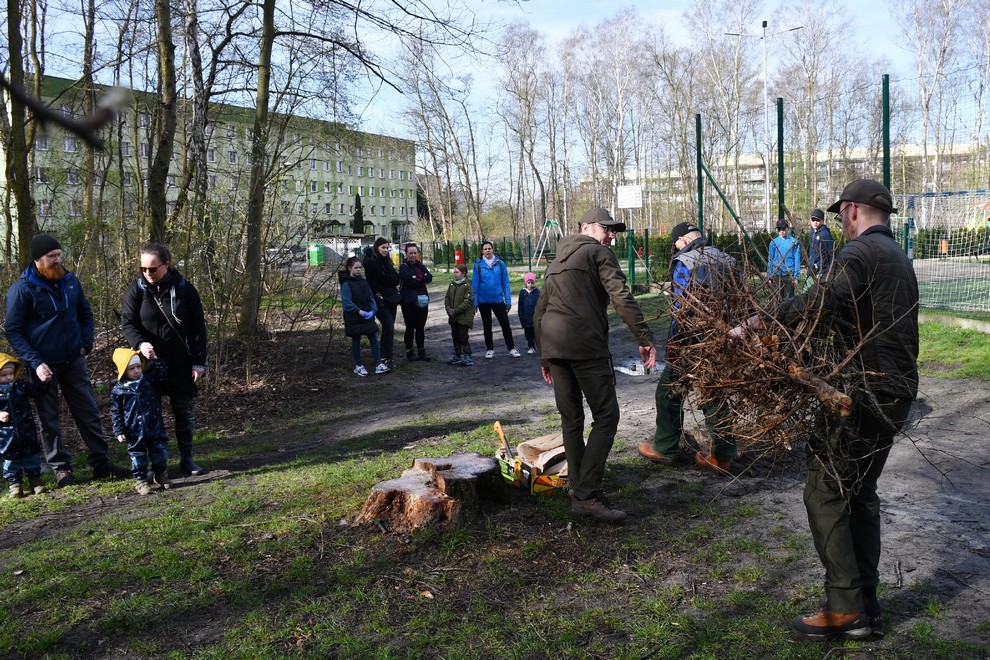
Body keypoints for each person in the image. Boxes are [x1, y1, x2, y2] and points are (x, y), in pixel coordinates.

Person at [733, 179, 919, 640]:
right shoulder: (898, 257)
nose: (841, 224)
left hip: (860, 392)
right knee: (860, 492)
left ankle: (845, 608)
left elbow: (821, 300)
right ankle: (866, 601)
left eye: (841, 216)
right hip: (896, 391)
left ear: (852, 210)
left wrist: (759, 322)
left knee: (826, 491)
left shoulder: (861, 252)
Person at [534, 207, 656, 524]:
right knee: (606, 416)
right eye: (607, 229)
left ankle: (578, 485)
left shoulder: (555, 261)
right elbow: (621, 296)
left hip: (555, 347)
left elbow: (540, 311)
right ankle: (586, 495)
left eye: (614, 231)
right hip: (585, 346)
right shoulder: (597, 253)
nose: (611, 235)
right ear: (586, 227)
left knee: (572, 419)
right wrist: (644, 337)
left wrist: (545, 356)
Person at [5, 234, 128, 487]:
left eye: (59, 255)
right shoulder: (22, 289)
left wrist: (85, 343)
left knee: (88, 412)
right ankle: (61, 469)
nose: (58, 260)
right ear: (37, 260)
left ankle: (101, 463)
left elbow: (85, 313)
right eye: (52, 256)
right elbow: (14, 331)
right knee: (49, 420)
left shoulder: (70, 281)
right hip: (43, 366)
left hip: (74, 360)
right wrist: (36, 362)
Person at [638, 222, 739, 474]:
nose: (675, 248)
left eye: (675, 244)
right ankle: (722, 457)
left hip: (690, 341)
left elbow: (683, 308)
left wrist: (675, 342)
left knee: (668, 392)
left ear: (682, 240)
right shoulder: (728, 259)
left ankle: (666, 448)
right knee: (714, 393)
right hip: (723, 339)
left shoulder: (685, 262)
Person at [121, 243, 210, 477]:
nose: (147, 273)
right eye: (143, 269)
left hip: (181, 363)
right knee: (150, 417)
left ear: (167, 265)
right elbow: (128, 323)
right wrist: (140, 344)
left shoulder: (185, 289)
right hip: (148, 366)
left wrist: (198, 362)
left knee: (183, 414)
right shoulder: (136, 291)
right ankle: (157, 464)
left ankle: (187, 459)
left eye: (153, 269)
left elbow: (198, 328)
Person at [110, 349, 170, 495]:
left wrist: (156, 359)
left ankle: (161, 475)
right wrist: (119, 430)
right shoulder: (119, 390)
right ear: (123, 370)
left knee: (159, 453)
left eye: (138, 366)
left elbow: (163, 374)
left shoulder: (148, 381)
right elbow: (116, 412)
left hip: (154, 425)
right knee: (138, 457)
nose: (136, 371)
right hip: (133, 430)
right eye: (131, 368)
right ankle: (141, 481)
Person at [0, 353, 47, 498]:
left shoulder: (20, 385)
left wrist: (45, 382)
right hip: (5, 435)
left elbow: (37, 392)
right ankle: (15, 486)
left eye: (11, 373)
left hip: (26, 430)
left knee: (31, 457)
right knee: (10, 461)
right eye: (4, 375)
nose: (9, 377)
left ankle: (36, 481)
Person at [339, 257, 386, 376]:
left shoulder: (364, 282)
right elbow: (347, 303)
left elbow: (371, 297)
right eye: (356, 267)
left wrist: (373, 311)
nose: (358, 270)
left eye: (360, 267)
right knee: (356, 339)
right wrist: (360, 312)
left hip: (367, 315)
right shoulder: (346, 284)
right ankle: (359, 365)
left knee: (373, 337)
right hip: (354, 317)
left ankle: (378, 364)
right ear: (349, 268)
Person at [472, 240, 520, 359]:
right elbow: (475, 285)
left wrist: (508, 301)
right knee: (487, 325)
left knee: (505, 324)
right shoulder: (478, 265)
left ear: (492, 249)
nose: (487, 250)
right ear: (482, 251)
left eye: (489, 248)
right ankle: (490, 349)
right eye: (485, 249)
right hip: (483, 300)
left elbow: (506, 283)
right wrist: (475, 302)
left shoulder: (500, 264)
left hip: (498, 299)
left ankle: (511, 348)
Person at [363, 237, 401, 369]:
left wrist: (390, 280)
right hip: (379, 300)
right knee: (389, 327)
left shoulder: (387, 262)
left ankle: (386, 357)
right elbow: (383, 279)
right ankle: (386, 358)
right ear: (377, 247)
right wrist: (390, 280)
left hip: (391, 299)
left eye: (387, 247)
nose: (386, 250)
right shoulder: (372, 263)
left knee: (388, 329)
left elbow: (396, 278)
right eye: (383, 247)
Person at [398, 243, 433, 362]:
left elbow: (429, 277)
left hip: (423, 301)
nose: (413, 255)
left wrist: (417, 278)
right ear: (406, 254)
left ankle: (421, 351)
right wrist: (422, 279)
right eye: (410, 253)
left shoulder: (420, 265)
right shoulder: (403, 267)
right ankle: (410, 352)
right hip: (409, 301)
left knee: (420, 327)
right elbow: (410, 282)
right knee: (410, 327)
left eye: (415, 253)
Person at [444, 264, 475, 366]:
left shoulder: (468, 285)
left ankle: (467, 356)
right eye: (454, 272)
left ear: (464, 273)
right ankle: (457, 355)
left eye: (457, 272)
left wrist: (456, 310)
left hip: (463, 317)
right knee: (455, 336)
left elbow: (468, 301)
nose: (455, 274)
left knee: (463, 337)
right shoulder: (452, 284)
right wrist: (448, 309)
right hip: (453, 316)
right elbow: (447, 298)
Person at [768, 219, 800, 300]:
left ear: (787, 228)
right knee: (777, 298)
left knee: (789, 299)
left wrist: (796, 277)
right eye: (779, 229)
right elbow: (770, 259)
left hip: (789, 274)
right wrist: (770, 275)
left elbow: (797, 260)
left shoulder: (794, 242)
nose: (781, 231)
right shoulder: (773, 243)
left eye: (783, 229)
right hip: (776, 274)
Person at [517, 272, 540, 354]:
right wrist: (521, 318)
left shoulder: (537, 292)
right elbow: (520, 306)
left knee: (537, 333)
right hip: (526, 318)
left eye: (532, 283)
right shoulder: (523, 292)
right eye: (529, 282)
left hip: (535, 317)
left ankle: (540, 347)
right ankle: (531, 347)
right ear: (526, 283)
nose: (530, 284)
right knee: (528, 334)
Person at [808, 208, 835, 276]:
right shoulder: (811, 232)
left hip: (822, 270)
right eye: (813, 219)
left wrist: (830, 270)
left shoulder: (825, 234)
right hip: (812, 268)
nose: (815, 222)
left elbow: (830, 253)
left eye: (818, 220)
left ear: (822, 221)